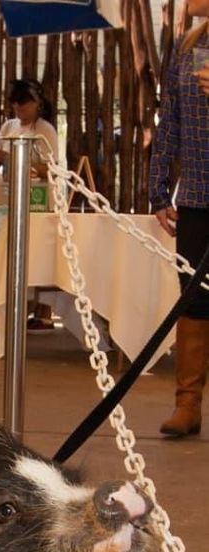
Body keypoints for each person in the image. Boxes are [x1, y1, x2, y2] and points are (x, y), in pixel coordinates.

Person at [151, 0, 209, 438]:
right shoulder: (187, 47)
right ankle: (187, 404)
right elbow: (168, 120)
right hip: (196, 196)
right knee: (193, 301)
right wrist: (158, 189)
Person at [0, 78, 60, 331]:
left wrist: (21, 160)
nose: (19, 110)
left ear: (37, 104)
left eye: (24, 105)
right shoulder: (8, 126)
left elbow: (51, 166)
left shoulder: (46, 130)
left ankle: (41, 310)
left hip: (38, 198)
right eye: (15, 106)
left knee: (37, 253)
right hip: (9, 195)